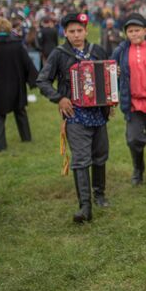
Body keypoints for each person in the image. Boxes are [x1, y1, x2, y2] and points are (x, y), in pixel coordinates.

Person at [36, 13, 112, 224]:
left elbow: (109, 75)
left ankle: (100, 194)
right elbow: (42, 81)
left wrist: (110, 99)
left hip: (98, 114)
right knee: (80, 159)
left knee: (100, 156)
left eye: (80, 30)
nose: (76, 35)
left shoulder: (97, 51)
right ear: (65, 33)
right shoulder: (59, 54)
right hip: (75, 115)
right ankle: (85, 206)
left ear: (86, 31)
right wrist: (59, 98)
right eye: (71, 31)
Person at [112, 13, 146, 187]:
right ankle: (138, 171)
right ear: (126, 33)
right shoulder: (120, 52)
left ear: (145, 31)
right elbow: (109, 73)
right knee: (134, 139)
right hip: (133, 103)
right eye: (130, 31)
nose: (134, 34)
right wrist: (115, 73)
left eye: (137, 30)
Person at [0, 17, 38, 152]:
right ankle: (26, 137)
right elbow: (27, 64)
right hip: (16, 85)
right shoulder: (17, 44)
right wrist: (33, 80)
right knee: (20, 111)